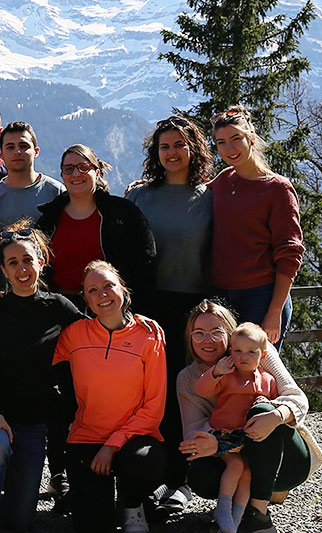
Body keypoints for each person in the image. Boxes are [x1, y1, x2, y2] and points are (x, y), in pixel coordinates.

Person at [0, 224, 83, 533]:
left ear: (41, 262)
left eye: (28, 260)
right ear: (4, 270)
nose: (22, 268)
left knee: (20, 521)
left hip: (33, 422)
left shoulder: (56, 306)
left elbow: (93, 331)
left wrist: (136, 323)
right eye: (13, 263)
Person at [125, 114, 214, 512]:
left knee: (185, 394)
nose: (172, 152)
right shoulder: (140, 196)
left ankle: (181, 482)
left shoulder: (210, 197)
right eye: (164, 146)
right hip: (148, 306)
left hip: (192, 309)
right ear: (155, 153)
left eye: (180, 144)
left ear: (193, 148)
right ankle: (147, 476)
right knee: (148, 394)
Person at [178, 301, 322, 533]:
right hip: (229, 446)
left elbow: (298, 398)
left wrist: (276, 416)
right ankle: (231, 515)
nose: (208, 340)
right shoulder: (188, 378)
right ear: (190, 337)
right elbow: (193, 428)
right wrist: (216, 442)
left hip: (281, 456)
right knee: (205, 473)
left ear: (230, 333)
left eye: (217, 332)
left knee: (262, 410)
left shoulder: (255, 349)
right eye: (199, 334)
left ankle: (259, 514)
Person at [53, 261, 167, 533]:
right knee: (92, 525)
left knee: (144, 463)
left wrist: (112, 445)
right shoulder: (72, 335)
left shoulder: (149, 336)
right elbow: (33, 335)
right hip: (86, 438)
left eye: (108, 286)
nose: (102, 294)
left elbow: (154, 408)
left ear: (123, 290)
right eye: (93, 290)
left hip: (134, 442)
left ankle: (132, 503)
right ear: (86, 301)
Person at [210, 106, 303, 347]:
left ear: (251, 137)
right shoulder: (223, 180)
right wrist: (147, 185)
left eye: (236, 139)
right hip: (222, 295)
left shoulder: (277, 189)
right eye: (221, 143)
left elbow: (290, 253)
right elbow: (190, 193)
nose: (229, 149)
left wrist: (274, 312)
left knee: (260, 376)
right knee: (229, 376)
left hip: (261, 296)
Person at [36, 144, 157, 309]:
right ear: (62, 176)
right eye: (69, 169)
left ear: (97, 172)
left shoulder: (124, 215)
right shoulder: (49, 219)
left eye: (84, 167)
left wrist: (134, 311)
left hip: (108, 308)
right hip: (58, 308)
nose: (76, 174)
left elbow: (145, 264)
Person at [195, 322, 277, 533]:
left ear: (263, 355)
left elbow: (275, 402)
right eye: (238, 351)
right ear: (231, 352)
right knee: (236, 466)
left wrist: (266, 401)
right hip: (222, 433)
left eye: (251, 352)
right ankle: (223, 509)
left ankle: (235, 519)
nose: (244, 356)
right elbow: (202, 390)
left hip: (247, 437)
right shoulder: (227, 376)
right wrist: (216, 372)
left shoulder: (267, 380)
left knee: (248, 473)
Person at [0, 120, 64, 231]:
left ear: (36, 151)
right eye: (10, 147)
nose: (17, 151)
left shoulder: (56, 192)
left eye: (23, 146)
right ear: (1, 154)